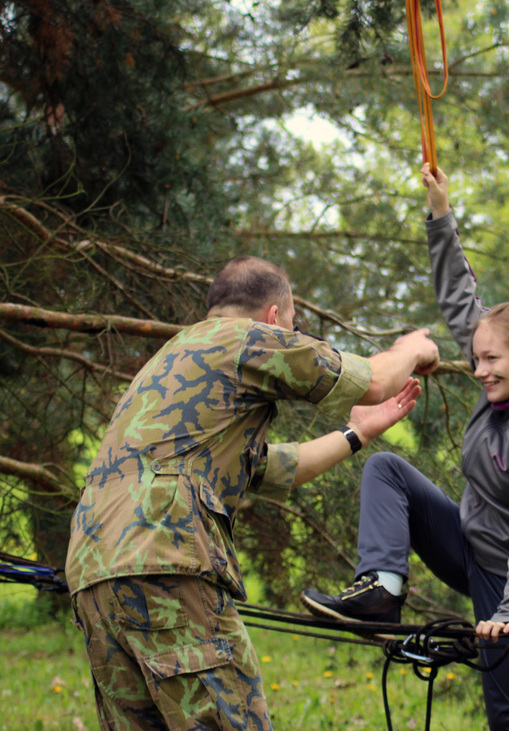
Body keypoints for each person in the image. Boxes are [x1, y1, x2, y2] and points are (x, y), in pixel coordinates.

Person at [65, 256, 439, 731]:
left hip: (93, 568)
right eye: (293, 324)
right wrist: (412, 347)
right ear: (275, 316)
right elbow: (378, 378)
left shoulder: (176, 359)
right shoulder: (250, 338)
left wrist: (356, 434)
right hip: (165, 556)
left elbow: (272, 467)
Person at [300, 164, 509, 730]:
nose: (478, 367)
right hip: (470, 546)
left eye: (491, 360)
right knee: (387, 469)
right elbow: (464, 300)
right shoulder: (506, 380)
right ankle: (380, 591)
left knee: (508, 713)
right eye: (478, 356)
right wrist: (440, 214)